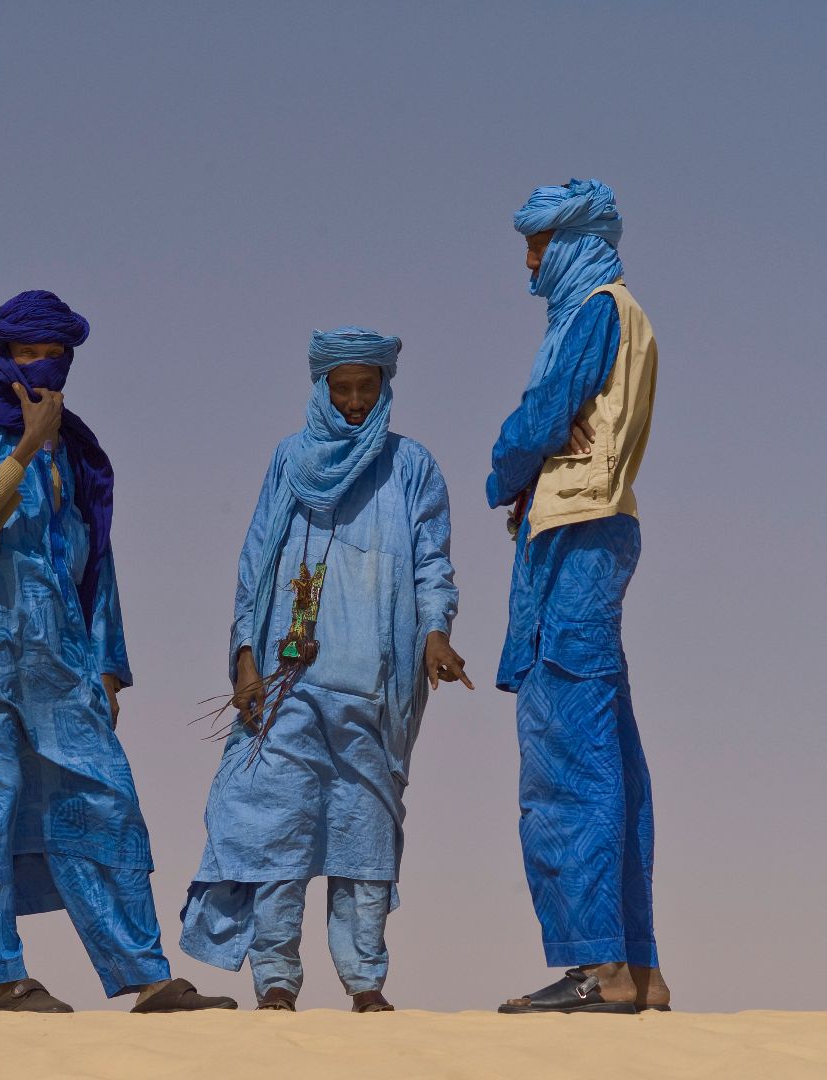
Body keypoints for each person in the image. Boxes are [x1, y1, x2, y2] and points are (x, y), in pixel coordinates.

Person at [0, 290, 235, 1014]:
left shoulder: (78, 450)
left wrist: (108, 668)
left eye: (51, 356)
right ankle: (4, 977)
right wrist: (24, 448)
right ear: (1, 356)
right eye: (25, 354)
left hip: (63, 661)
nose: (39, 367)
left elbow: (94, 562)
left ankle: (146, 976)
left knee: (104, 800)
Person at [179, 327, 466, 1012]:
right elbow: (257, 560)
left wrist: (436, 632)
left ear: (386, 388)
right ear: (322, 389)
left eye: (368, 388)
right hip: (288, 681)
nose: (356, 402)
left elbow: (433, 562)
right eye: (343, 389)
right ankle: (276, 979)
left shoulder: (412, 466)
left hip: (376, 685)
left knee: (364, 832)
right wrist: (244, 657)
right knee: (278, 827)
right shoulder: (289, 460)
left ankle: (365, 982)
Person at [485, 181, 669, 1014]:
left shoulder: (595, 311)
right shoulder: (620, 315)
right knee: (609, 756)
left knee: (566, 753)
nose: (529, 263)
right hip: (591, 528)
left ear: (574, 243)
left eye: (539, 243)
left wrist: (507, 462)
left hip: (575, 533)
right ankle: (638, 966)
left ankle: (599, 967)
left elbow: (538, 417)